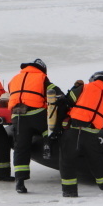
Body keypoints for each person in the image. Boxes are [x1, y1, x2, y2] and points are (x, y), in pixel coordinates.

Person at [7, 58, 62, 194]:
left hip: (18, 117)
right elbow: (56, 92)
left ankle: (20, 181)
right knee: (47, 130)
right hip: (37, 114)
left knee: (21, 147)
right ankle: (47, 145)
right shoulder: (41, 78)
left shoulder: (14, 79)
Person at [58, 71, 103, 198]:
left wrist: (75, 87)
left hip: (75, 129)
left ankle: (69, 191)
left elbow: (69, 99)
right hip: (92, 133)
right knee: (96, 161)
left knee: (67, 160)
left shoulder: (86, 87)